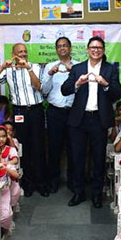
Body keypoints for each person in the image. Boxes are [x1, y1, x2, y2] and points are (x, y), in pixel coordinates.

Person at [61, 36, 121, 208]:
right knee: (77, 158)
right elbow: (64, 90)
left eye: (99, 47)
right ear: (88, 50)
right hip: (79, 120)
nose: (95, 50)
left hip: (99, 119)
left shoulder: (110, 69)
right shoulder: (78, 68)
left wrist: (105, 84)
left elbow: (117, 93)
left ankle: (97, 194)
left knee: (98, 158)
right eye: (92, 47)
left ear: (103, 50)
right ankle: (78, 192)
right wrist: (77, 83)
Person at [0, 43, 48, 197]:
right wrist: (2, 67)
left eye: (25, 51)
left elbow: (39, 86)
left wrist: (28, 68)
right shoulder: (8, 71)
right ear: (13, 54)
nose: (23, 54)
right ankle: (27, 184)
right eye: (19, 52)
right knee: (23, 146)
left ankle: (41, 183)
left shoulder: (35, 67)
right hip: (19, 111)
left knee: (39, 146)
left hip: (36, 109)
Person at [41, 36, 78, 194]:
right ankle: (53, 182)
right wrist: (50, 74)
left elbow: (83, 89)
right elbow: (44, 90)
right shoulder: (50, 66)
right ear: (56, 50)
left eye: (65, 46)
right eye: (59, 46)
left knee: (74, 149)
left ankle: (73, 182)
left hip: (74, 112)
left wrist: (73, 73)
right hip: (55, 112)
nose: (62, 48)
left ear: (70, 48)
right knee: (54, 148)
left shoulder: (78, 66)